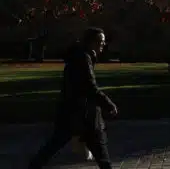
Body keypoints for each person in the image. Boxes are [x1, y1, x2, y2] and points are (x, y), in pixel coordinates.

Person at [28, 27, 118, 169]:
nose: (103, 45)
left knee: (54, 145)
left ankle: (33, 166)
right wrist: (108, 104)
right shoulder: (83, 58)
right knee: (100, 152)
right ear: (91, 42)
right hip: (82, 113)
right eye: (101, 41)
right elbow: (89, 86)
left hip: (74, 111)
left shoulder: (81, 55)